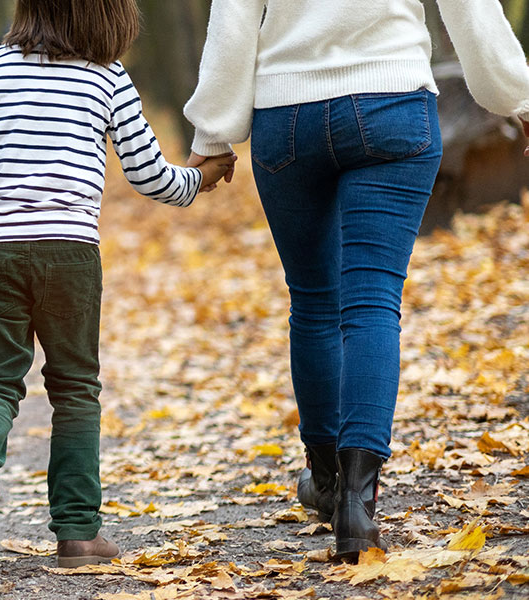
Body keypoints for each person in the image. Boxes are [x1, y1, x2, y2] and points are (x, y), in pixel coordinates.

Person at [0, 0, 237, 583]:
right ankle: (78, 533)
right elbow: (151, 177)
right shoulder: (108, 78)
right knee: (75, 388)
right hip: (70, 253)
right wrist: (202, 179)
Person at [185, 0, 529, 563]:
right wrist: (516, 94)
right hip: (392, 102)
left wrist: (214, 133)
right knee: (372, 304)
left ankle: (324, 480)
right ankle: (357, 503)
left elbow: (234, 15)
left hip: (287, 116)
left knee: (315, 304)